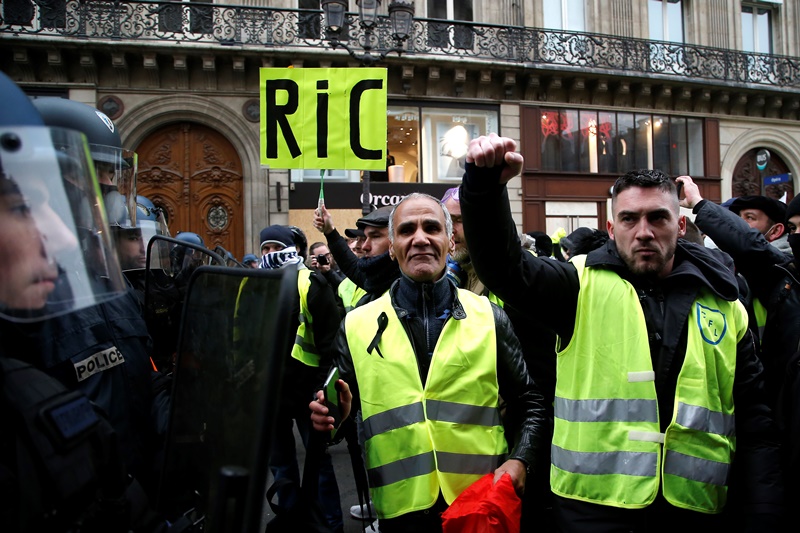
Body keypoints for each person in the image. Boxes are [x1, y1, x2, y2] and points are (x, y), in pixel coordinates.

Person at [459, 133, 784, 531]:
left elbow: (754, 422)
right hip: (591, 512)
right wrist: (483, 186)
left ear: (680, 225)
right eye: (629, 219)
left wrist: (765, 514)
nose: (643, 231)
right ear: (612, 228)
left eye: (657, 217)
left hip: (696, 512)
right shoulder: (577, 286)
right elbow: (504, 269)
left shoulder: (725, 304)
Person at [310, 192, 548, 532]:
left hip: (479, 505)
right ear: (392, 248)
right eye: (407, 230)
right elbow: (335, 417)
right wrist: (334, 420)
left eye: (431, 228)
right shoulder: (357, 325)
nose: (420, 238)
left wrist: (521, 460)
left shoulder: (490, 317)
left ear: (450, 242)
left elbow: (530, 402)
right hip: (399, 512)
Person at [0, 71, 166, 532]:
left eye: (112, 184)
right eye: (94, 184)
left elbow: (141, 386)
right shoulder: (26, 308)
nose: (107, 202)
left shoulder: (109, 292)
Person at [680, 177, 800, 506]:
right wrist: (701, 207)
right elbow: (751, 247)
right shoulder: (785, 278)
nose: (796, 235)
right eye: (794, 227)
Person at [257, 224, 344, 533]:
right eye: (264, 249)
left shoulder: (312, 284)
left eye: (274, 247)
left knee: (318, 464)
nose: (269, 254)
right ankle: (292, 524)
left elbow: (331, 344)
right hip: (271, 396)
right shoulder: (255, 284)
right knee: (281, 467)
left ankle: (330, 525)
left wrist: (323, 391)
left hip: (308, 392)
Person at [313, 205, 400, 310]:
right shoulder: (379, 278)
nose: (364, 246)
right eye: (365, 238)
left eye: (375, 236)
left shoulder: (411, 284)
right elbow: (352, 267)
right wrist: (330, 232)